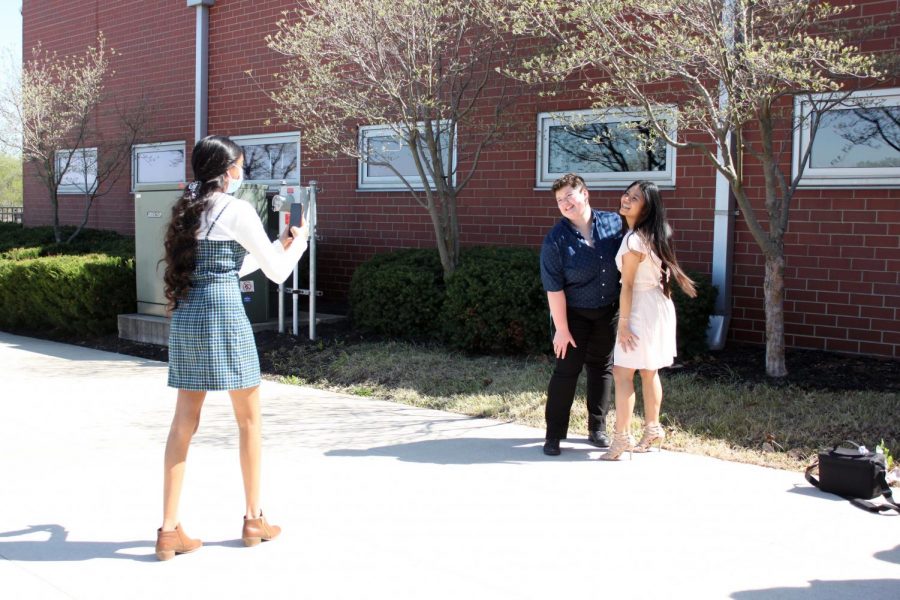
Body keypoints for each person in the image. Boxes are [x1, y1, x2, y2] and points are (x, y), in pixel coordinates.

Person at [155, 135, 309, 560]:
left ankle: (169, 531)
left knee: (183, 423)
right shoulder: (237, 208)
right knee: (249, 421)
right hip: (224, 313)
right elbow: (278, 274)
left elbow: (226, 263)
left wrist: (277, 247)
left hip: (188, 314)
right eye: (240, 166)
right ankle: (253, 519)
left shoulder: (188, 207)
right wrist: (299, 242)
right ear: (226, 172)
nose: (243, 173)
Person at [601, 181, 696, 461]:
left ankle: (621, 438)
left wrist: (624, 322)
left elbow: (628, 285)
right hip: (658, 304)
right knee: (648, 370)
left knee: (622, 372)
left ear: (647, 206)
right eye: (626, 194)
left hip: (642, 307)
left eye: (635, 198)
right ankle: (652, 428)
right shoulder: (650, 235)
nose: (626, 200)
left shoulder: (633, 239)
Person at [539, 173, 625, 456]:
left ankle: (596, 428)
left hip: (607, 311)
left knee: (602, 369)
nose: (564, 203)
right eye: (559, 200)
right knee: (566, 371)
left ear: (584, 193)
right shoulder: (556, 240)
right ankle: (553, 435)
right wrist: (561, 329)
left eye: (569, 196)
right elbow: (554, 289)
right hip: (573, 315)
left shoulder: (614, 223)